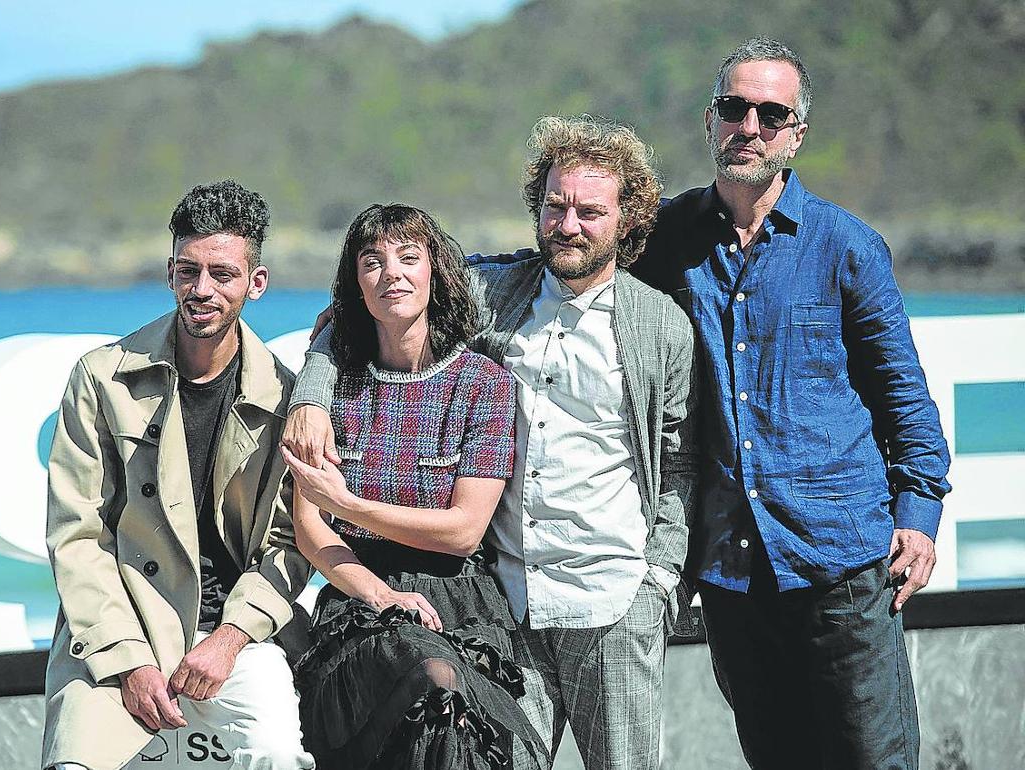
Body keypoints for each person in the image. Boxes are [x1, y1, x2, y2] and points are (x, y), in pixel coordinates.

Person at [286, 118, 699, 769]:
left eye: (590, 211)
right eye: (556, 205)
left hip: (613, 606)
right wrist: (312, 393)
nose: (569, 224)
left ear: (627, 219)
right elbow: (359, 311)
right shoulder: (491, 293)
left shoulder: (661, 325)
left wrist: (660, 579)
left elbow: (679, 467)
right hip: (508, 604)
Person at [630, 37, 952, 769]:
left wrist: (920, 515)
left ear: (797, 133)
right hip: (732, 574)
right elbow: (565, 257)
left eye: (771, 113)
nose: (750, 126)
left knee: (876, 760)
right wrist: (390, 304)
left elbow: (905, 401)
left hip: (842, 560)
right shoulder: (664, 241)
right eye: (734, 108)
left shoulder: (846, 248)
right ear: (708, 121)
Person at [42, 180, 315, 770]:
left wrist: (230, 639)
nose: (202, 290)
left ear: (255, 283)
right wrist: (127, 659)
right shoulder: (102, 379)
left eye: (223, 273)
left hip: (233, 635)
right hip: (122, 626)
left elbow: (289, 545)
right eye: (188, 271)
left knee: (277, 755)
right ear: (170, 273)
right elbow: (77, 535)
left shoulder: (286, 399)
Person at [280, 203, 547, 770]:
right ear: (355, 282)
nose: (392, 273)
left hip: (463, 604)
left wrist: (350, 504)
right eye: (372, 262)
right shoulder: (329, 391)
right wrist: (380, 596)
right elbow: (310, 531)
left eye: (409, 257)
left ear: (435, 270)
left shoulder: (483, 384)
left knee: (464, 718)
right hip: (360, 601)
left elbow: (463, 531)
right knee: (427, 677)